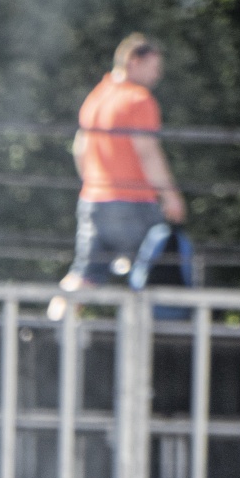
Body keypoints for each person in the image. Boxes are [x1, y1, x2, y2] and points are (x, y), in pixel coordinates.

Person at [60, 33, 185, 292]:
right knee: (156, 272)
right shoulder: (139, 99)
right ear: (133, 61)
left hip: (94, 200)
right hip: (134, 202)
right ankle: (148, 320)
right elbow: (147, 152)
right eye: (153, 67)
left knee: (83, 276)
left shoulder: (96, 97)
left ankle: (53, 316)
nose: (157, 75)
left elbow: (80, 149)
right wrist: (171, 196)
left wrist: (93, 185)